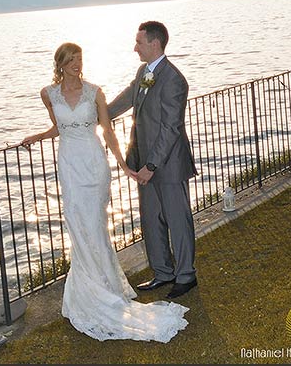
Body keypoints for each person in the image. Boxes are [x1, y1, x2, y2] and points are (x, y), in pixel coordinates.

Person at [21, 42, 188, 342]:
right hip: (70, 166)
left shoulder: (95, 91)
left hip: (95, 165)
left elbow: (107, 129)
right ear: (59, 63)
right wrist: (37, 136)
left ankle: (106, 288)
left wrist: (124, 165)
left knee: (95, 226)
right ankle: (88, 289)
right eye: (70, 60)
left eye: (79, 58)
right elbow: (59, 126)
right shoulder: (48, 94)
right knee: (77, 226)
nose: (76, 63)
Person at [108, 21, 198, 299]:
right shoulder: (143, 72)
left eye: (139, 42)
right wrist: (98, 113)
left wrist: (151, 166)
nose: (135, 47)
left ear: (155, 44)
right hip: (143, 162)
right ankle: (163, 272)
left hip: (167, 165)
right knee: (151, 220)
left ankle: (186, 276)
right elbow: (128, 98)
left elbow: (171, 128)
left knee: (177, 220)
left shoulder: (173, 79)